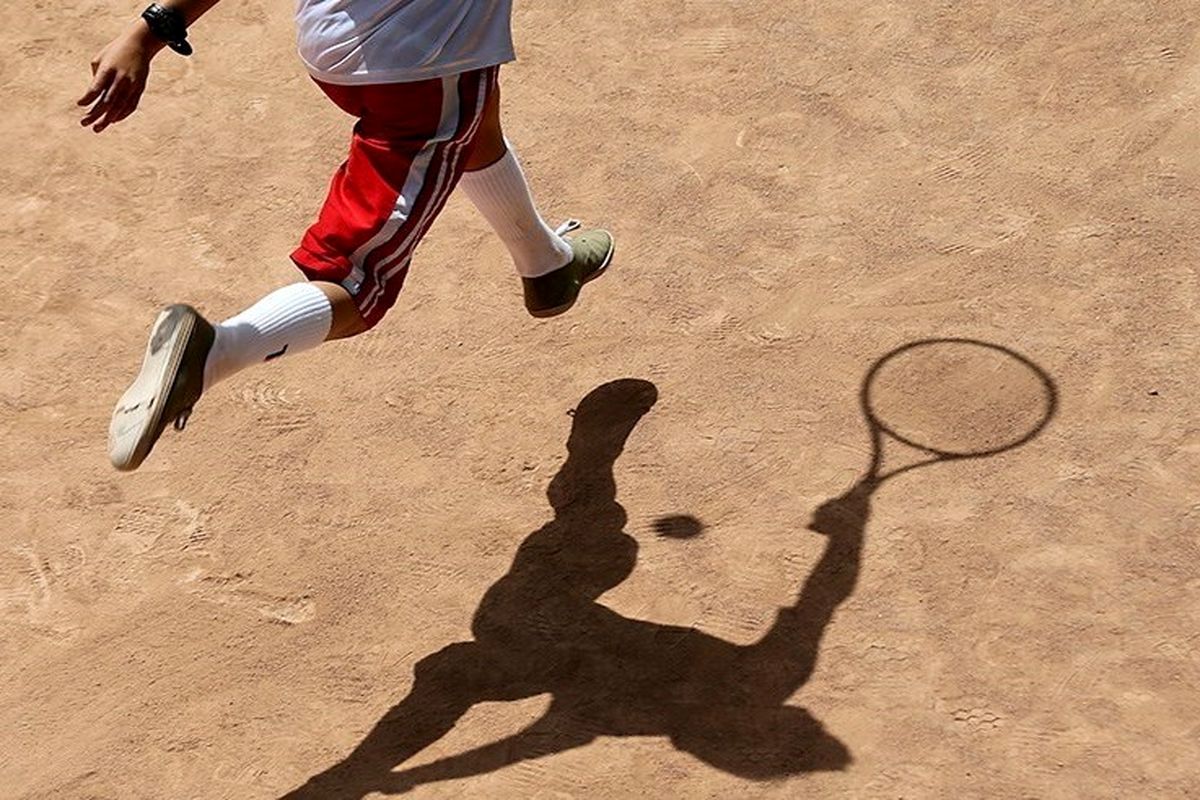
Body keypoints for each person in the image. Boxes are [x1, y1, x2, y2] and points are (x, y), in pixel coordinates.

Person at [80, 0, 613, 471]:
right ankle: (216, 351)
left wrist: (146, 33)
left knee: (474, 118)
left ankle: (546, 264)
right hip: (420, 65)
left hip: (337, 42)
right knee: (357, 281)